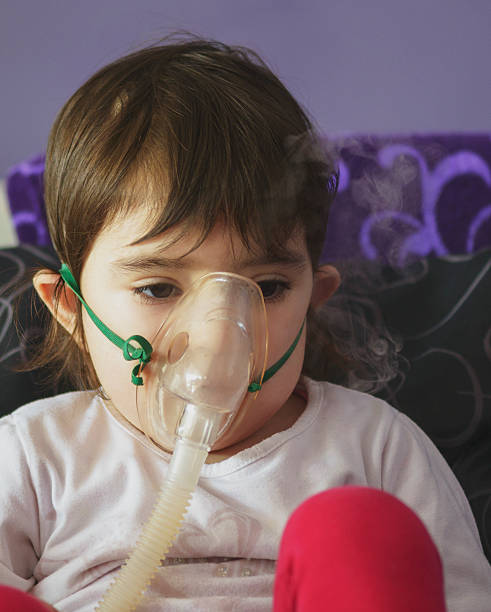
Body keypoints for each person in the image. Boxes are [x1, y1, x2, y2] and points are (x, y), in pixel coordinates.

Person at [0, 36, 489, 611]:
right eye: (158, 287)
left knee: (361, 533)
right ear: (72, 310)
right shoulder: (34, 458)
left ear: (313, 299)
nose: (215, 336)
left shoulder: (375, 448)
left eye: (266, 288)